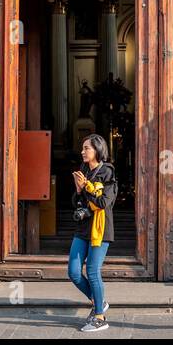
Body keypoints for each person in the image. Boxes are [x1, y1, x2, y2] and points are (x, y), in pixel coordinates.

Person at [68, 134, 116, 333]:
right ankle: (99, 301)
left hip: (100, 229)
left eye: (86, 148)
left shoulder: (108, 172)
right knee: (73, 271)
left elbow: (104, 202)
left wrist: (86, 186)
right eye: (82, 148)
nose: (82, 151)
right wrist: (78, 191)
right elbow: (77, 203)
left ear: (97, 149)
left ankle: (99, 317)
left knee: (93, 271)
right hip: (82, 229)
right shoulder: (84, 170)